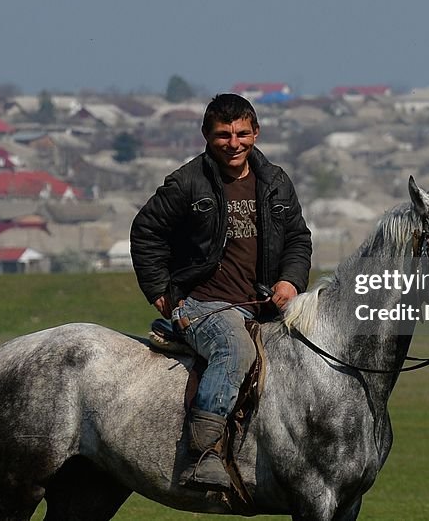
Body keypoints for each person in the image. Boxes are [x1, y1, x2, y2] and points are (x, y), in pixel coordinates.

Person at [131, 93, 312, 492]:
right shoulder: (186, 183)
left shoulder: (276, 182)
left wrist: (291, 281)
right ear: (206, 136)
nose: (234, 143)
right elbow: (146, 231)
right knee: (235, 350)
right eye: (223, 135)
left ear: (256, 132)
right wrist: (160, 291)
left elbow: (298, 237)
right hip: (203, 306)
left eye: (242, 133)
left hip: (263, 306)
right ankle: (200, 456)